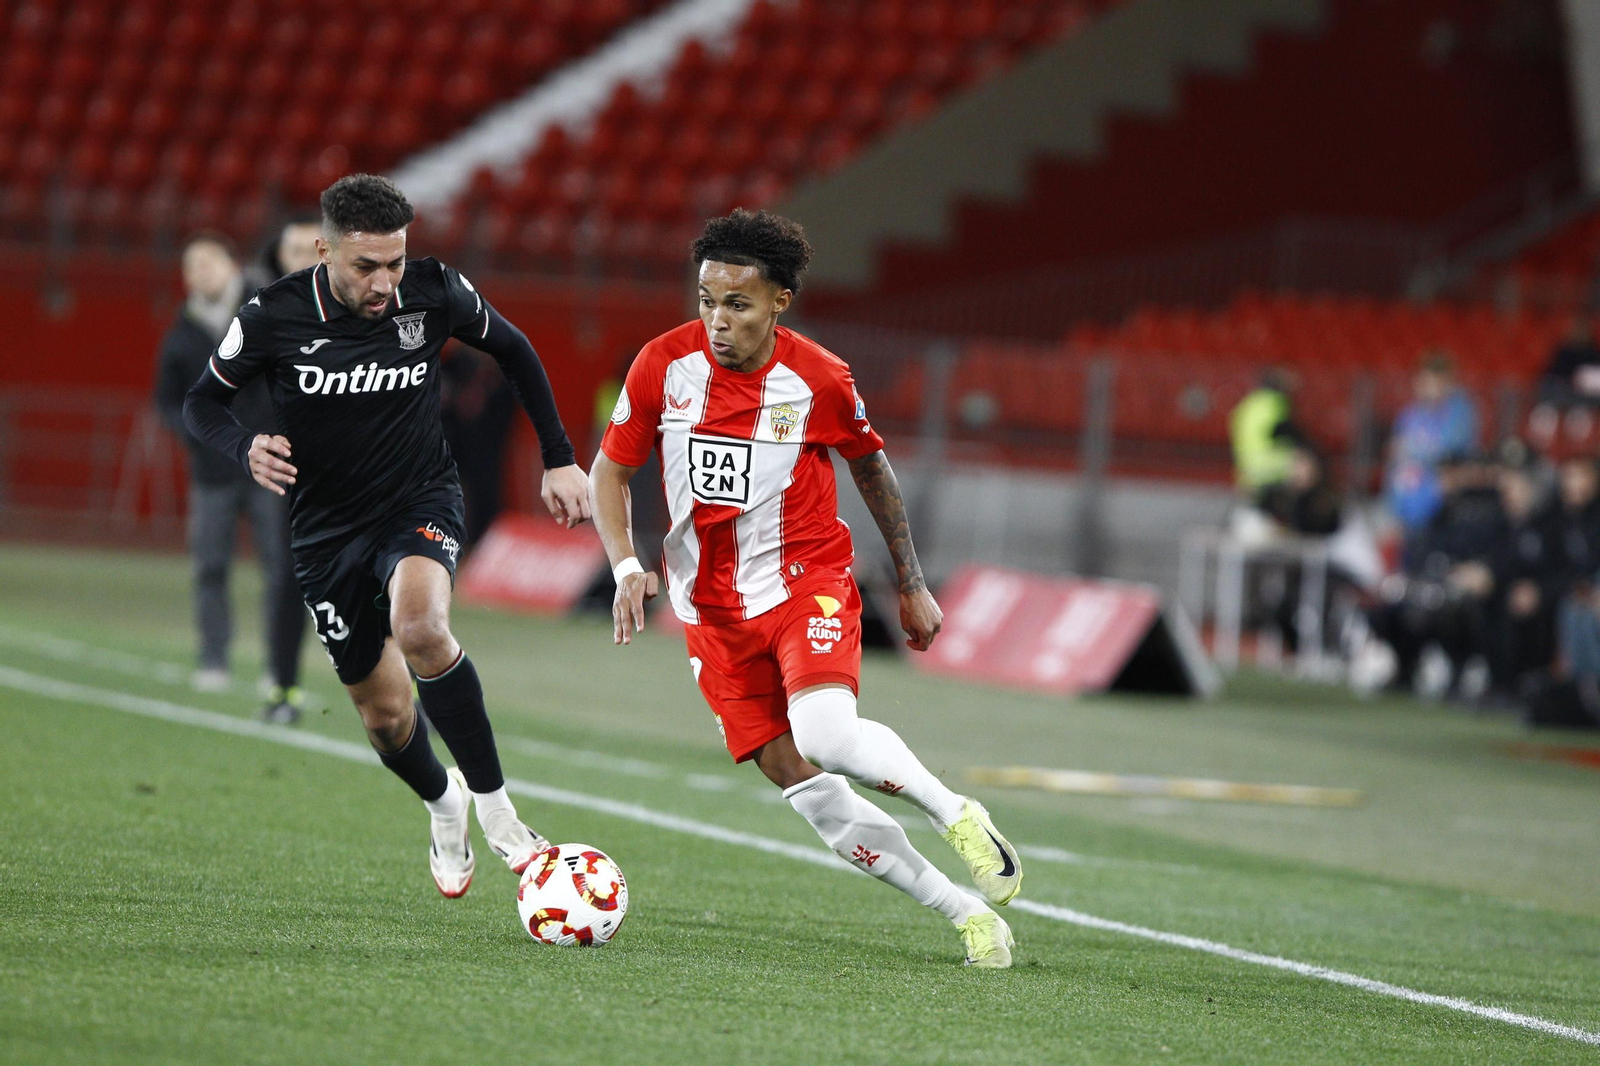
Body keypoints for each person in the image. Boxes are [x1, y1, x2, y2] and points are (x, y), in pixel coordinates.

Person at [587, 209, 1022, 968]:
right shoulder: (663, 364)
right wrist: (626, 565)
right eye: (707, 301)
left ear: (779, 301)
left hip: (803, 581)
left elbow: (872, 467)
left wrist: (911, 584)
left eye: (738, 304)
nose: (718, 321)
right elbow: (610, 471)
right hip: (709, 611)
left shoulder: (819, 378)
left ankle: (955, 813)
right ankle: (966, 914)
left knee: (823, 734)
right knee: (799, 777)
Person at [183, 174, 591, 898]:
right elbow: (202, 403)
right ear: (324, 251)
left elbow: (515, 349)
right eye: (365, 266)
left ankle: (499, 812)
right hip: (325, 530)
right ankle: (444, 801)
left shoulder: (434, 291)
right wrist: (245, 446)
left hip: (418, 498)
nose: (384, 283)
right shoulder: (274, 314)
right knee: (385, 715)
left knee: (423, 628)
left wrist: (559, 457)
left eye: (395, 262)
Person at [153, 233, 306, 722]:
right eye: (190, 265)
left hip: (270, 466)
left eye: (207, 262)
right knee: (210, 566)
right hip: (212, 469)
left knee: (282, 570)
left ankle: (278, 666)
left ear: (231, 263)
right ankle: (214, 659)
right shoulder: (181, 330)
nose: (198, 273)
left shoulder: (266, 310)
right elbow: (169, 400)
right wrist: (197, 436)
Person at [1385, 353, 1478, 543]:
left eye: (1432, 382)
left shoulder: (1459, 413)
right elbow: (1396, 453)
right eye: (1423, 382)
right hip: (1405, 492)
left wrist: (1414, 452)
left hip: (1442, 491)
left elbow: (1450, 452)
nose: (1426, 388)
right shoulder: (1409, 414)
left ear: (1447, 383)